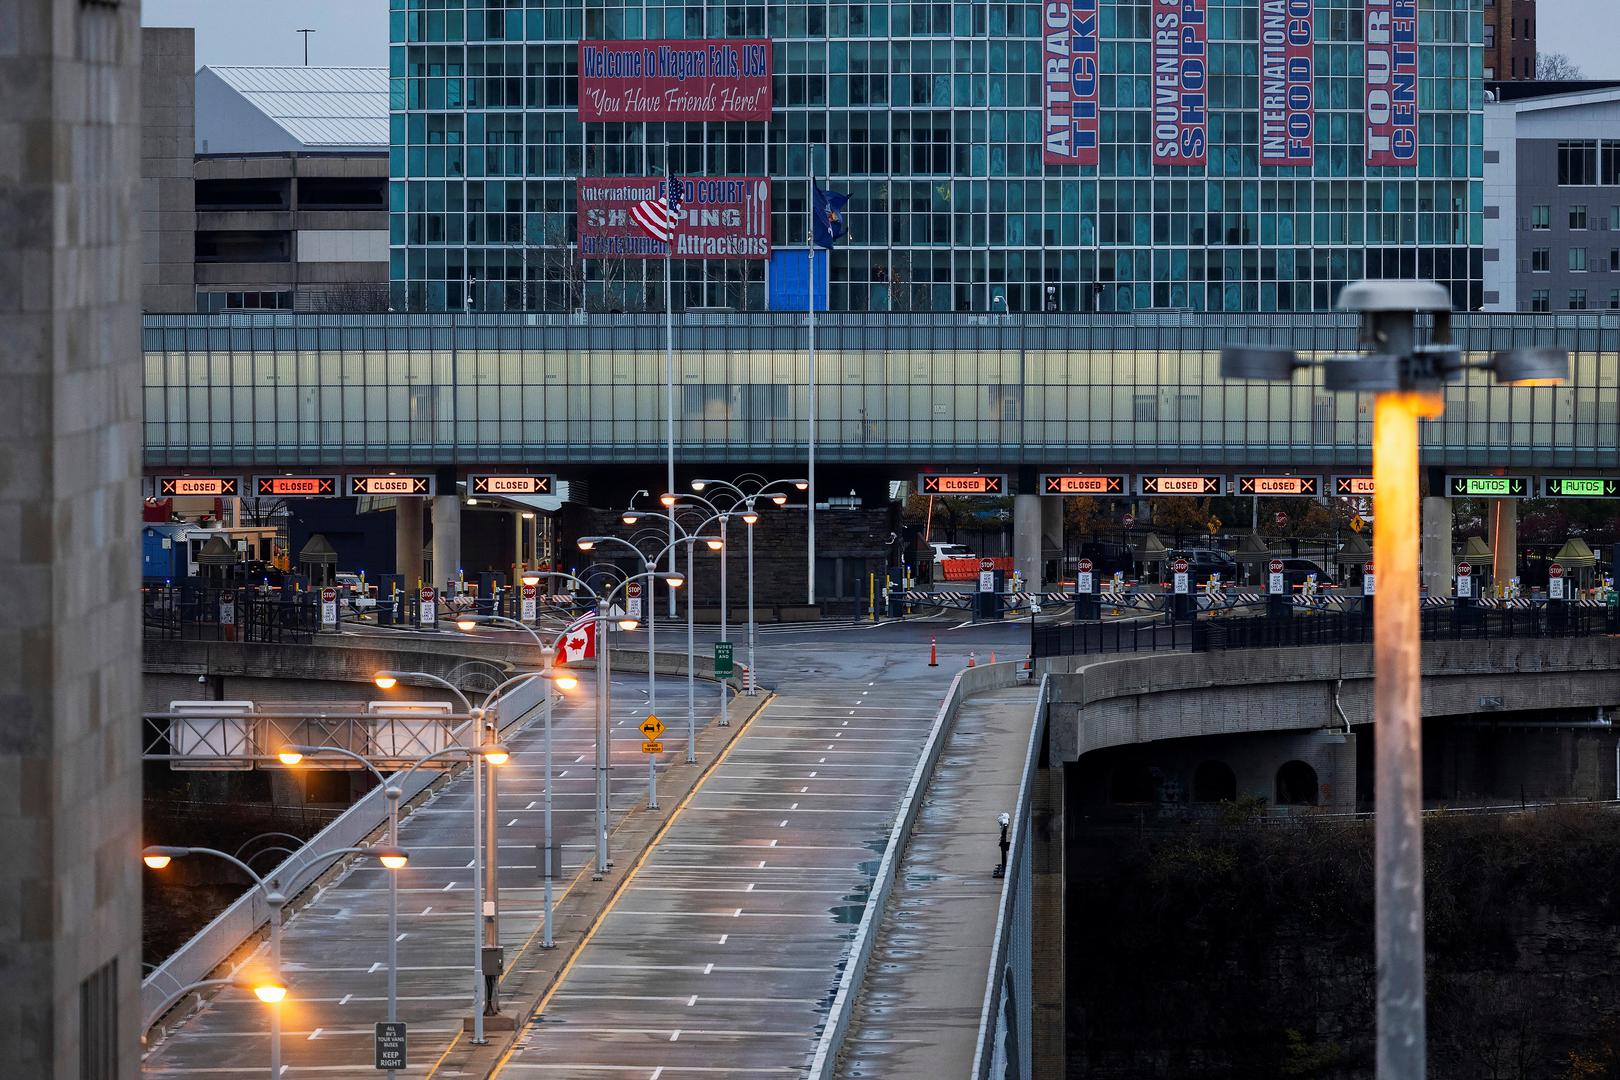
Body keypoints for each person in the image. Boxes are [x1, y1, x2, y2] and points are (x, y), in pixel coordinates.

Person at [993, 811, 1010, 878]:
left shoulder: (1004, 823)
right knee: (1003, 849)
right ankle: (1003, 866)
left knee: (1003, 849)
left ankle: (1004, 867)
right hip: (1003, 839)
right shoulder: (1004, 823)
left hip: (1003, 840)